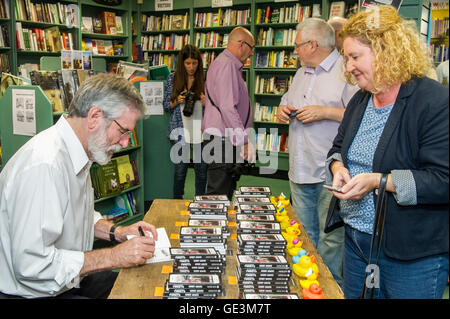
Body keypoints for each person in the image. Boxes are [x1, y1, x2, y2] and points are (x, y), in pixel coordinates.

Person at [326, 5, 449, 299]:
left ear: (386, 49)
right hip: (356, 242)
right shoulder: (360, 100)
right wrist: (338, 169)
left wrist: (379, 181)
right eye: (347, 58)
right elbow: (336, 150)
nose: (350, 66)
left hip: (411, 254)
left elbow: (442, 180)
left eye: (355, 57)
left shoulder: (433, 101)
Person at [0, 73, 158, 299]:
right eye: (123, 132)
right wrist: (114, 257)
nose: (125, 143)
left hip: (68, 278)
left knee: (142, 288)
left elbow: (79, 216)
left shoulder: (80, 152)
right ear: (94, 116)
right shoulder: (46, 165)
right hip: (33, 292)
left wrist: (119, 233)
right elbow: (31, 265)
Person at [275, 18, 359, 288]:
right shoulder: (301, 72)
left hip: (331, 171)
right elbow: (287, 101)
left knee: (330, 237)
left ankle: (330, 289)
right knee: (302, 233)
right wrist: (281, 109)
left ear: (313, 45)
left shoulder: (347, 70)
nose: (295, 52)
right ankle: (306, 285)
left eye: (298, 46)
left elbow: (360, 115)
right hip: (300, 167)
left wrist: (325, 112)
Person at [201, 26, 256, 200]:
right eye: (251, 48)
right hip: (222, 140)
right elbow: (227, 107)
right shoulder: (227, 65)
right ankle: (211, 227)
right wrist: (244, 141)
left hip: (225, 138)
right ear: (241, 44)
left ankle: (218, 226)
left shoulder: (227, 63)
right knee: (217, 195)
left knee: (224, 191)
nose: (252, 53)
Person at [163, 44, 208, 199]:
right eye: (188, 63)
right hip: (179, 129)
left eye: (194, 63)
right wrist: (177, 101)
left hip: (200, 130)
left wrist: (205, 102)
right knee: (180, 171)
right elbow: (166, 105)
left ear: (199, 63)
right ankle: (177, 202)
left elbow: (215, 107)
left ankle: (200, 202)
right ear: (182, 63)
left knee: (201, 171)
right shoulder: (172, 78)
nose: (191, 67)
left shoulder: (205, 78)